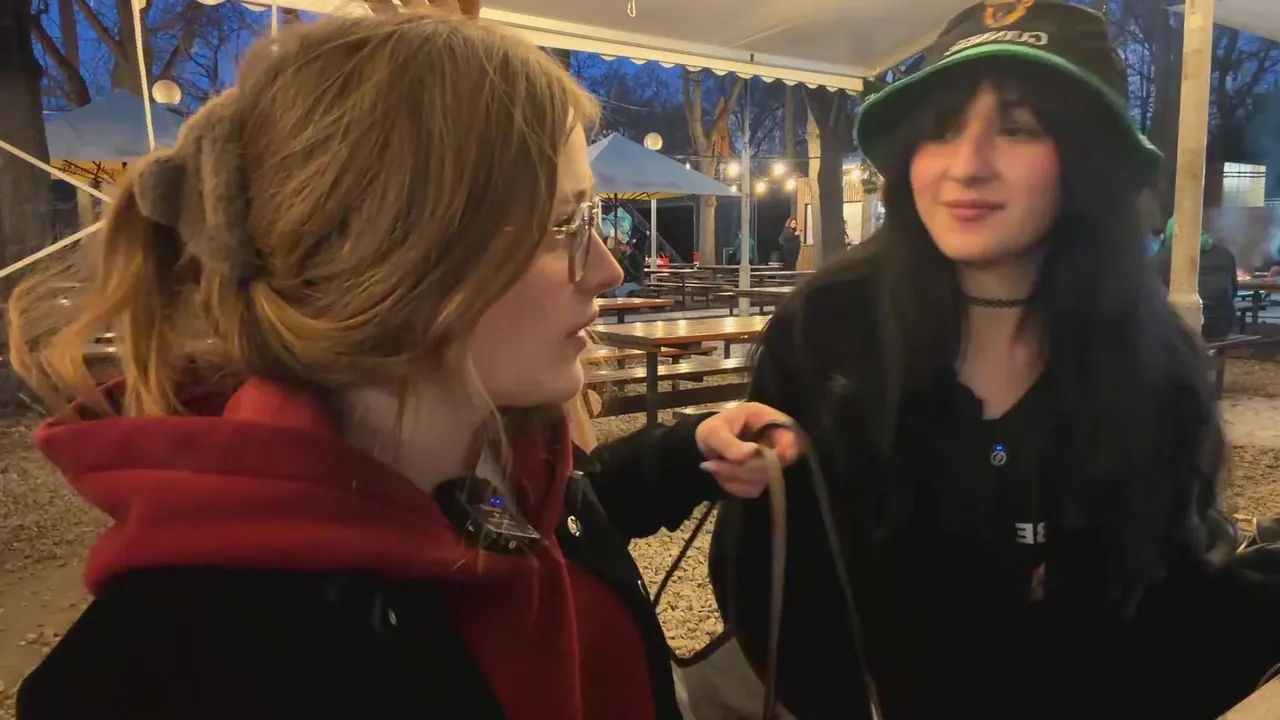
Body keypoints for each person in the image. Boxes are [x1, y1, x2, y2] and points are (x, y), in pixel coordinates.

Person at [7, 12, 796, 720]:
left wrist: (686, 452)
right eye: (563, 223)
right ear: (398, 258)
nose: (606, 269)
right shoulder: (174, 669)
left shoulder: (493, 450)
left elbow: (536, 528)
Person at [698, 3, 1280, 718]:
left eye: (1018, 128)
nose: (967, 165)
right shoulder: (828, 335)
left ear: (1086, 159)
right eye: (942, 128)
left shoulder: (1151, 364)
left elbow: (1171, 625)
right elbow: (760, 581)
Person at [1153, 218, 1240, 340]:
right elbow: (1234, 290)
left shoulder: (1164, 255)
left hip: (1184, 328)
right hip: (1222, 325)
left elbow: (1151, 293)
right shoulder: (1225, 253)